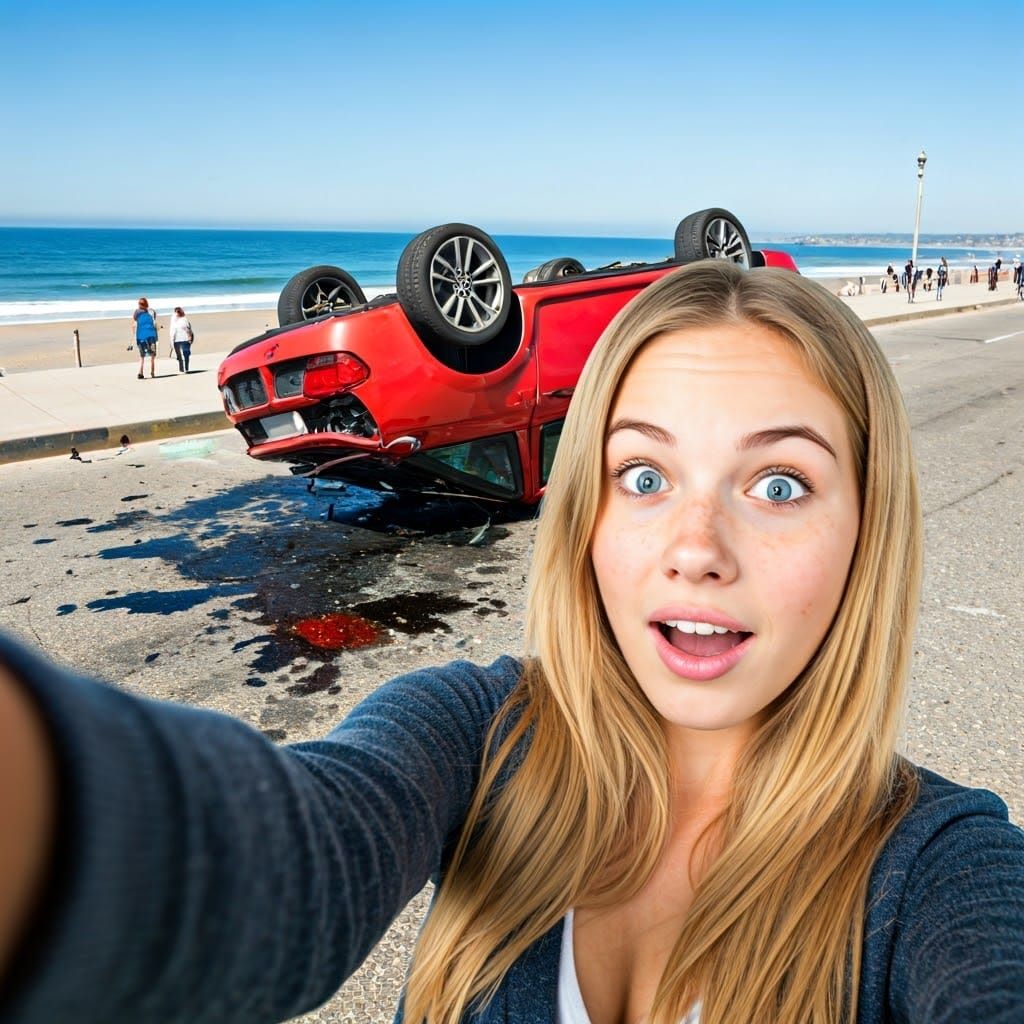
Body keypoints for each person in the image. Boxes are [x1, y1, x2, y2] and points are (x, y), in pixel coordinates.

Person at [0, 262, 1022, 1024]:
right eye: (645, 476)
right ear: (587, 515)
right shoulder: (475, 736)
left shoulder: (935, 868)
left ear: (866, 530)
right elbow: (262, 870)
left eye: (779, 484)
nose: (697, 551)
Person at [131, 297, 158, 379]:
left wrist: (134, 334)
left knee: (142, 356)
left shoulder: (137, 312)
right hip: (151, 335)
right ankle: (152, 372)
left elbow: (134, 322)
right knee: (152, 355)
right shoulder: (152, 311)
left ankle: (140, 372)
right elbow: (154, 323)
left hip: (141, 336)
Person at [169, 305, 194, 373]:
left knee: (184, 354)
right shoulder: (175, 320)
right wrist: (171, 340)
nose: (176, 313)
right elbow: (172, 330)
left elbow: (188, 330)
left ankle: (184, 368)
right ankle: (183, 368)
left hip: (183, 339)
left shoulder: (183, 320)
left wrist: (190, 338)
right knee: (181, 355)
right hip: (178, 339)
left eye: (177, 312)